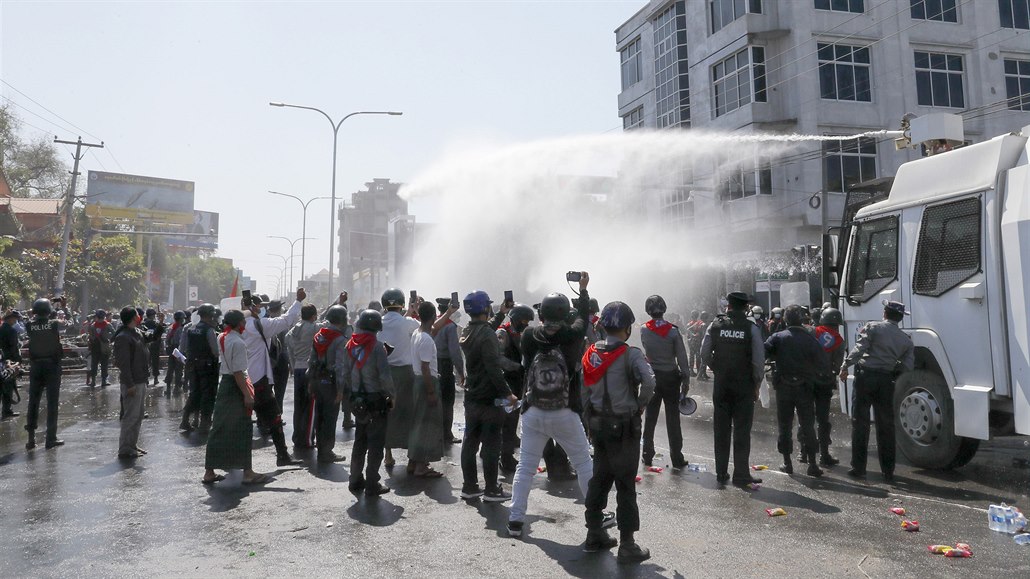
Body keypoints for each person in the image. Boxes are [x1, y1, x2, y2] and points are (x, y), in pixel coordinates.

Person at [508, 275, 602, 538]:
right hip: (565, 411)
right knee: (584, 462)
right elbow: (583, 315)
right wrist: (582, 291)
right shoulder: (572, 335)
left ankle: (515, 520)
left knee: (525, 467)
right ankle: (595, 517)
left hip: (533, 410)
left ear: (541, 313)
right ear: (564, 314)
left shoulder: (528, 335)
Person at [582, 301, 655, 563]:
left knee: (600, 478)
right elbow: (649, 382)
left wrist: (588, 422)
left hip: (599, 426)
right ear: (626, 328)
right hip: (624, 428)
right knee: (625, 484)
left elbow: (584, 392)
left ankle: (594, 533)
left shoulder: (591, 353)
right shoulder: (631, 354)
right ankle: (627, 545)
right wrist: (639, 406)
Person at [839, 301, 914, 484]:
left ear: (884, 313)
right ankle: (888, 472)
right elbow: (907, 366)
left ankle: (858, 468)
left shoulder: (873, 327)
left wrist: (845, 365)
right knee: (886, 426)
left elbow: (859, 349)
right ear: (901, 317)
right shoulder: (906, 340)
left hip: (865, 378)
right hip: (886, 381)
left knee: (860, 422)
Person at [700, 292, 764, 486]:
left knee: (721, 430)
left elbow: (704, 352)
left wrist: (716, 367)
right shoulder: (751, 328)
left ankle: (721, 473)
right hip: (743, 386)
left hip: (722, 385)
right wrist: (757, 384)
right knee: (742, 430)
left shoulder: (715, 325)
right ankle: (741, 474)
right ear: (745, 308)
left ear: (727, 306)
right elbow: (758, 361)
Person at [459, 290, 517, 502]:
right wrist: (508, 394)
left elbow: (485, 329)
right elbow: (494, 369)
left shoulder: (468, 330)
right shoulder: (486, 335)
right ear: (485, 308)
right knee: (492, 444)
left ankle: (470, 486)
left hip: (472, 396)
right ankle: (492, 489)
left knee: (470, 442)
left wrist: (501, 313)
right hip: (489, 399)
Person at [203, 310, 271, 486]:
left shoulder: (223, 337)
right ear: (239, 324)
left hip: (225, 385)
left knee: (219, 427)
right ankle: (247, 472)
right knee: (243, 428)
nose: (245, 324)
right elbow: (238, 372)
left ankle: (209, 471)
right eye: (243, 321)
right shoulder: (238, 342)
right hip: (235, 386)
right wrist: (247, 394)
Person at [243, 291, 305, 466]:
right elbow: (286, 320)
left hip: (240, 380)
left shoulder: (234, 327)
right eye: (261, 307)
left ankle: (237, 461)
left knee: (240, 422)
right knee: (275, 418)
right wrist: (299, 301)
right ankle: (282, 456)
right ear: (254, 308)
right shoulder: (259, 325)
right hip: (258, 380)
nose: (263, 310)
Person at [336, 309, 394, 496]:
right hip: (375, 401)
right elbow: (385, 377)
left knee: (360, 441)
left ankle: (354, 480)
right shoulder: (378, 348)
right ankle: (372, 483)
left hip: (357, 401)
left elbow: (344, 375)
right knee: (376, 444)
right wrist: (392, 396)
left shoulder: (349, 346)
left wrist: (349, 395)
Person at [764, 304, 826, 478]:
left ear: (785, 319)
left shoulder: (777, 337)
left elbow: (763, 353)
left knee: (784, 426)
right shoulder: (810, 339)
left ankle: (787, 462)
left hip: (783, 387)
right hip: (805, 387)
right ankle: (813, 464)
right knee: (808, 425)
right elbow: (822, 363)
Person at [639, 294, 690, 469]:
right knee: (673, 419)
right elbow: (682, 357)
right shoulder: (674, 331)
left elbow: (646, 348)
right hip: (671, 378)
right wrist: (686, 378)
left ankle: (647, 454)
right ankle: (677, 457)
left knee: (650, 417)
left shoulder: (644, 329)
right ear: (664, 309)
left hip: (652, 377)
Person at [799, 307, 846, 467]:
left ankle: (803, 452)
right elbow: (837, 365)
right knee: (823, 420)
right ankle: (824, 454)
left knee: (805, 417)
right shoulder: (839, 340)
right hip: (825, 383)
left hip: (807, 380)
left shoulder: (812, 331)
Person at [308, 304, 350, 463]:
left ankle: (321, 449)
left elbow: (311, 361)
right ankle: (327, 452)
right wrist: (340, 390)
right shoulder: (340, 340)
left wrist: (311, 382)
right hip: (331, 384)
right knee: (330, 417)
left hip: (318, 380)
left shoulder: (319, 335)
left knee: (319, 415)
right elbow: (340, 367)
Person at [409, 301, 445, 477]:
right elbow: (425, 367)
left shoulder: (417, 333)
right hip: (427, 382)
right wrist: (431, 392)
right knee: (427, 425)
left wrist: (449, 313)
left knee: (418, 422)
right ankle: (421, 466)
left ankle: (414, 461)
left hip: (419, 381)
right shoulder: (426, 339)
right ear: (433, 316)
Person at [24, 298, 65, 450]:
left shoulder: (29, 325)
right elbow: (66, 323)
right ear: (49, 311)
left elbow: (31, 317)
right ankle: (50, 438)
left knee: (33, 401)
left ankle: (30, 439)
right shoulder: (54, 324)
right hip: (52, 367)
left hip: (35, 366)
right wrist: (63, 307)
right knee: (52, 403)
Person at [497, 303, 533, 473]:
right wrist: (516, 366)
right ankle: (505, 458)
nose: (526, 325)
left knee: (512, 422)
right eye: (524, 321)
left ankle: (505, 455)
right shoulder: (503, 333)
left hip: (517, 381)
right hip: (507, 382)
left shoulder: (520, 333)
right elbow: (498, 359)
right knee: (507, 422)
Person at [113, 306, 149, 459]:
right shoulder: (123, 337)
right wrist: (130, 384)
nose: (139, 316)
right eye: (137, 314)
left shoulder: (136, 333)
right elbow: (124, 364)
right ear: (133, 317)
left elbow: (150, 338)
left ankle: (132, 444)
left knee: (138, 415)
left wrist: (160, 326)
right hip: (133, 382)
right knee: (130, 416)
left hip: (140, 379)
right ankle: (125, 448)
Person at [179, 305, 220, 433]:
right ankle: (205, 423)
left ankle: (185, 420)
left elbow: (184, 348)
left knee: (194, 393)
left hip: (192, 365)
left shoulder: (190, 329)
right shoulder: (209, 330)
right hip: (207, 367)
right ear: (210, 315)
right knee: (208, 394)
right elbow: (216, 351)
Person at [286, 304, 320, 449]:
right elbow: (327, 321)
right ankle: (307, 440)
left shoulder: (293, 331)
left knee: (299, 406)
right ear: (313, 316)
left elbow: (289, 349)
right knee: (310, 406)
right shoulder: (314, 328)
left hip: (298, 369)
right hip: (309, 369)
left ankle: (297, 437)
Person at [434, 298, 465, 444]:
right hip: (445, 366)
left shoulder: (433, 323)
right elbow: (454, 352)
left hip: (433, 365)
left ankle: (437, 431)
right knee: (447, 401)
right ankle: (447, 434)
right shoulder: (450, 326)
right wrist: (461, 371)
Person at [265, 300, 292, 414]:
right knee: (279, 391)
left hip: (267, 362)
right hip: (279, 361)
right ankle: (277, 415)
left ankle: (270, 416)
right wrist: (290, 362)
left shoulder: (263, 322)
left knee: (267, 391)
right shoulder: (280, 324)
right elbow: (285, 346)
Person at [1, 310, 22, 418]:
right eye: (15, 318)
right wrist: (18, 362)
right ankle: (7, 410)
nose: (16, 320)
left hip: (1, 361)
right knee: (9, 386)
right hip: (9, 362)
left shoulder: (1, 329)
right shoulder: (11, 331)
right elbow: (14, 348)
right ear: (10, 318)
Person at [87, 309, 113, 388]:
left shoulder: (93, 325)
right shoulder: (106, 325)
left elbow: (113, 333)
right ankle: (101, 381)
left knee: (96, 364)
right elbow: (114, 333)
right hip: (100, 347)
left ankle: (95, 381)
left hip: (99, 348)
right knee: (101, 364)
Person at [163, 311, 186, 397]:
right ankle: (176, 387)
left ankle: (168, 387)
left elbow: (167, 340)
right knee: (178, 369)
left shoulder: (171, 327)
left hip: (172, 350)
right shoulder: (181, 329)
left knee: (170, 369)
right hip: (178, 350)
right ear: (181, 319)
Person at [142, 308, 166, 386]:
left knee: (146, 361)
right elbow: (162, 329)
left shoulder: (144, 323)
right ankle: (155, 378)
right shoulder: (155, 323)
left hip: (147, 345)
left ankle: (146, 378)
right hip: (155, 345)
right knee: (155, 361)